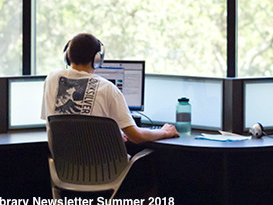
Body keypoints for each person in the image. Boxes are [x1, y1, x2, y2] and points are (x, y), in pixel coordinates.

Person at [41, 33, 178, 143]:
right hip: (104, 172)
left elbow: (68, 125)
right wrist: (165, 131)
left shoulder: (51, 79)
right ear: (97, 59)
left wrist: (114, 134)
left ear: (67, 56)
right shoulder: (108, 88)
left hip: (65, 169)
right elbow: (137, 137)